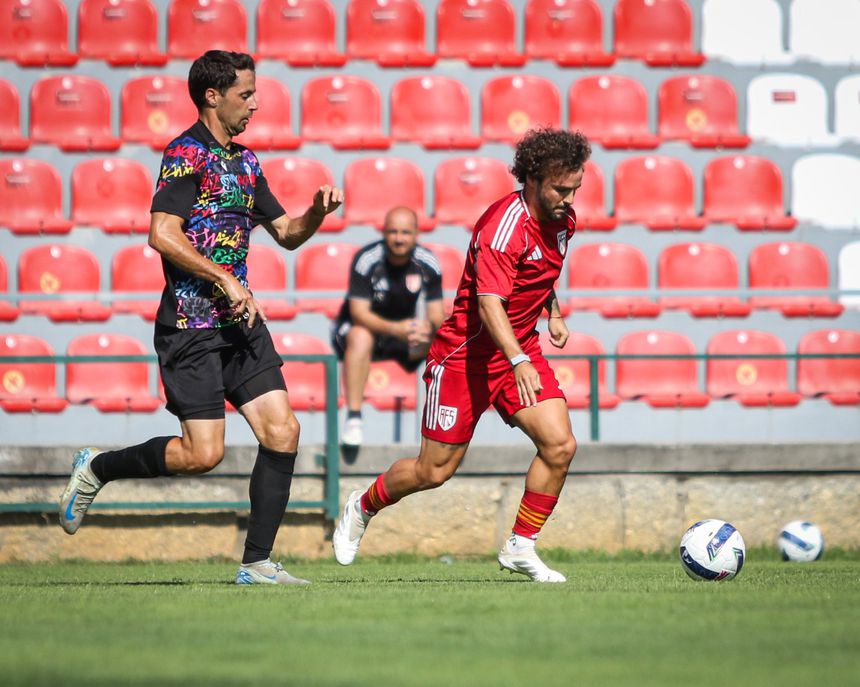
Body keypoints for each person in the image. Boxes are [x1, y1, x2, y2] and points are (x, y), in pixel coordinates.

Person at [58, 50, 344, 585]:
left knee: (283, 430)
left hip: (241, 322)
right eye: (246, 94)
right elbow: (161, 235)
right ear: (213, 96)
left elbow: (286, 235)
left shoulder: (247, 161)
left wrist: (316, 215)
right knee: (202, 454)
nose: (255, 104)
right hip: (192, 325)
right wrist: (225, 277)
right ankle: (97, 467)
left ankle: (256, 564)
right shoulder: (185, 154)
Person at [333, 128, 591, 582]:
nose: (570, 199)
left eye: (576, 189)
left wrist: (553, 312)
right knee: (433, 471)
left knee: (560, 445)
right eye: (561, 189)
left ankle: (520, 546)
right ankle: (363, 505)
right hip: (464, 357)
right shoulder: (501, 227)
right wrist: (519, 360)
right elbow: (490, 304)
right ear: (532, 178)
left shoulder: (562, 220)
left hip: (517, 348)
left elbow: (540, 269)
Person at [332, 207, 445, 446]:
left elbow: (437, 315)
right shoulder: (367, 259)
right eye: (393, 232)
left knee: (442, 343)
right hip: (360, 329)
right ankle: (354, 419)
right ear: (384, 233)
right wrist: (398, 329)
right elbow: (358, 314)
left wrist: (425, 329)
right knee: (360, 336)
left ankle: (442, 419)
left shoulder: (428, 263)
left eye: (405, 232)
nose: (399, 238)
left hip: (402, 333)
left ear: (416, 234)